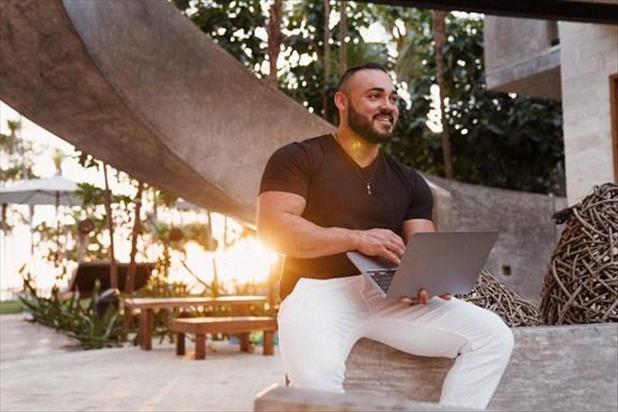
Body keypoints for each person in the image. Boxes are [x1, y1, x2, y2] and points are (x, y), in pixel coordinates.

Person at [256, 62, 514, 409]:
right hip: (316, 291)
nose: (388, 106)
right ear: (342, 102)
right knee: (315, 392)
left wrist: (426, 279)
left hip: (388, 293)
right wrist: (356, 238)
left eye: (392, 98)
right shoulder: (298, 158)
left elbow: (422, 247)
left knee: (492, 337)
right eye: (374, 96)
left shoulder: (409, 181)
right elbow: (274, 229)